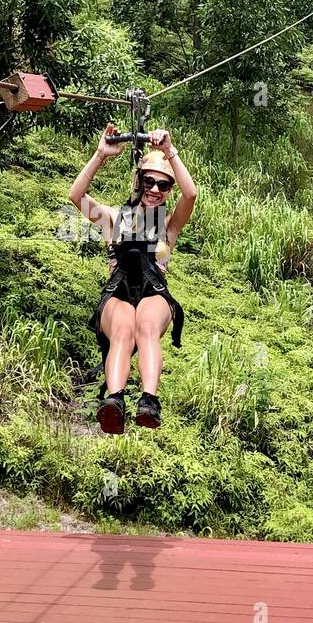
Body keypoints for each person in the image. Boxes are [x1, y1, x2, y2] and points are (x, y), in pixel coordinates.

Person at [69, 125, 196, 433]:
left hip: (154, 292)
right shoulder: (114, 218)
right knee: (124, 331)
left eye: (163, 185)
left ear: (168, 190)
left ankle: (149, 401)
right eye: (149, 181)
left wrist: (169, 151)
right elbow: (77, 196)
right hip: (119, 292)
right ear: (140, 181)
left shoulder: (169, 225)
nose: (155, 189)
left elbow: (191, 193)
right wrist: (102, 154)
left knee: (148, 326)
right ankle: (114, 401)